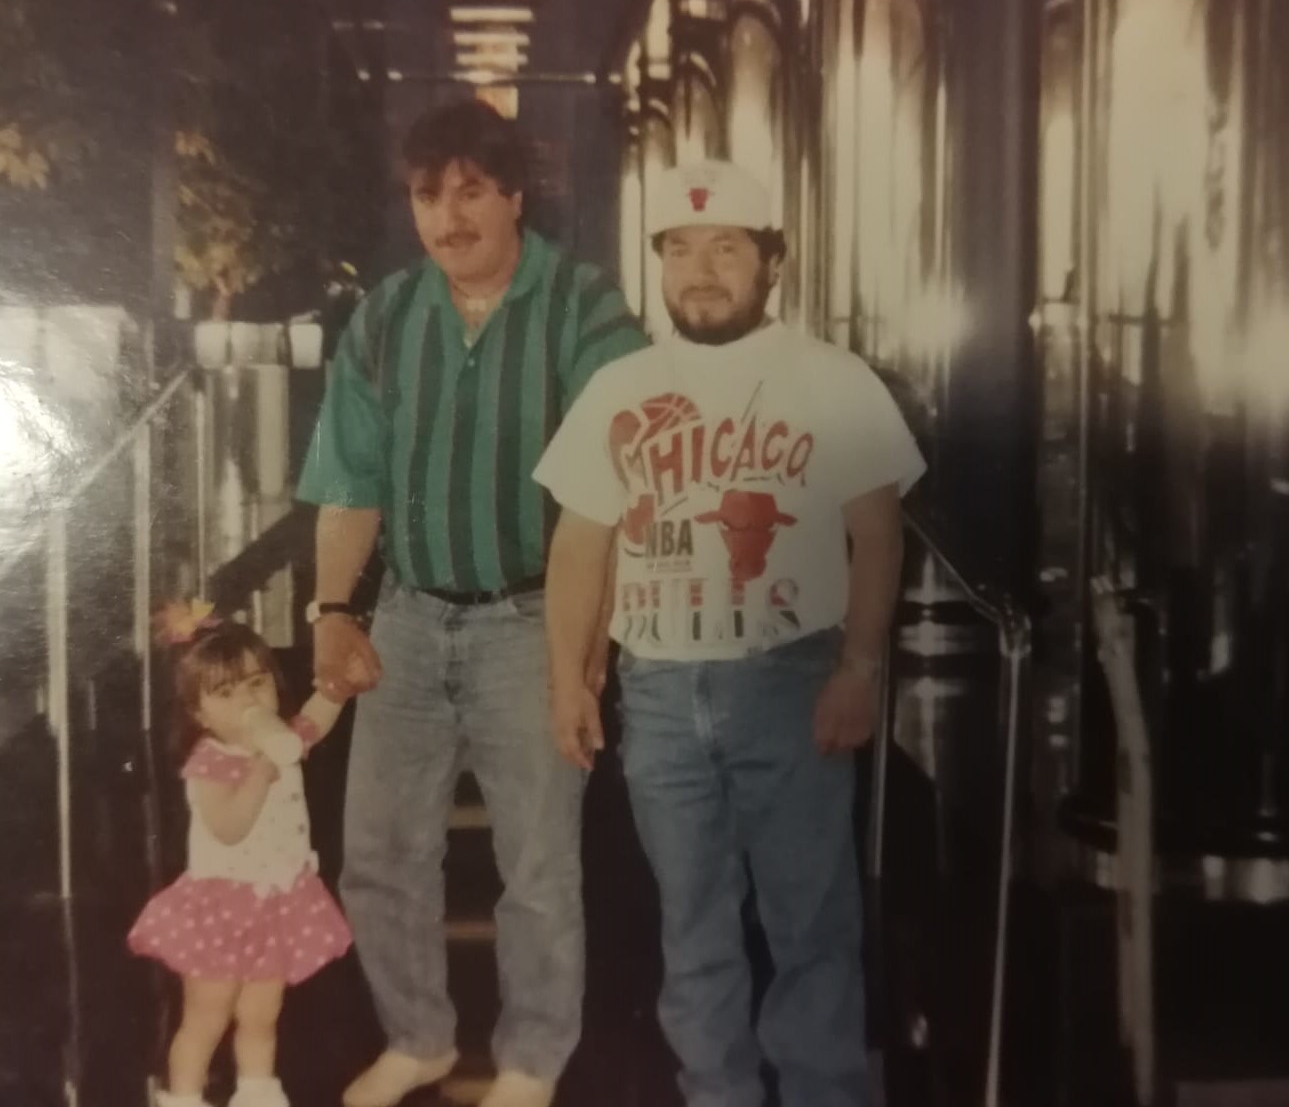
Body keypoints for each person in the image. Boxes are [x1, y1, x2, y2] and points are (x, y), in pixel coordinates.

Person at [534, 160, 926, 1107]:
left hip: (787, 679)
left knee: (811, 927)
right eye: (679, 250)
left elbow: (877, 535)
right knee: (692, 932)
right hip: (660, 693)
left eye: (724, 249)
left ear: (771, 262)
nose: (700, 272)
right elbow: (579, 543)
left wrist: (857, 670)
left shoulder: (831, 378)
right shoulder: (620, 386)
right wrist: (568, 679)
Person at [295, 98, 648, 1107]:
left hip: (530, 621)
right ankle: (418, 1038)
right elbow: (350, 481)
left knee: (536, 865)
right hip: (407, 620)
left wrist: (585, 649)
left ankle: (533, 1058)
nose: (448, 219)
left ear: (514, 196)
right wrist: (333, 611)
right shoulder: (385, 316)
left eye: (470, 193)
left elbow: (616, 493)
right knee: (376, 855)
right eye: (427, 197)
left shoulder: (585, 307)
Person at [128, 601, 353, 1107]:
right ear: (199, 713)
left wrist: (338, 688)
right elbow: (229, 829)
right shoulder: (210, 763)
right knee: (208, 1015)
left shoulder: (285, 737)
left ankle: (257, 1093)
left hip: (276, 902)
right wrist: (259, 772)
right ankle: (184, 1097)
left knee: (261, 1015)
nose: (248, 700)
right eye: (226, 693)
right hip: (222, 909)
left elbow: (318, 718)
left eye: (257, 683)